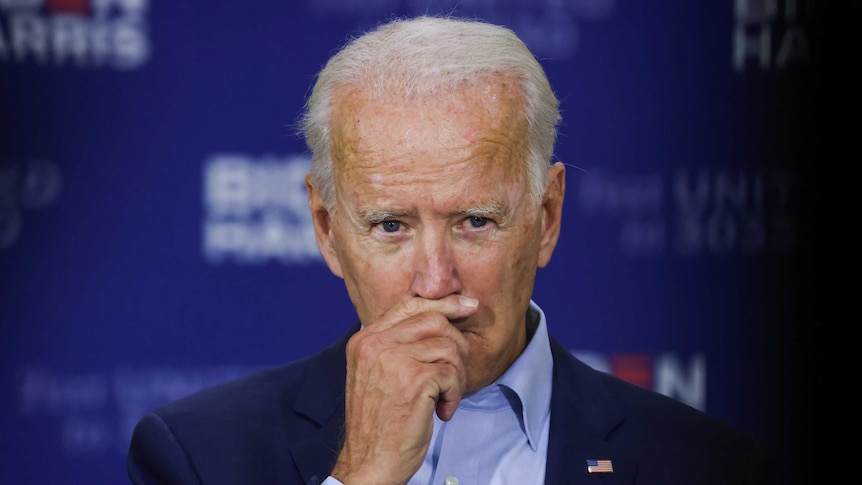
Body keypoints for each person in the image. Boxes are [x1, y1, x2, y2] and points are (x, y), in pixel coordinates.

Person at [127, 15, 773, 485]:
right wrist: (362, 475)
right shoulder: (198, 458)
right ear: (326, 229)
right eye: (390, 226)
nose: (435, 282)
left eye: (474, 221)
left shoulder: (706, 466)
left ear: (545, 217)